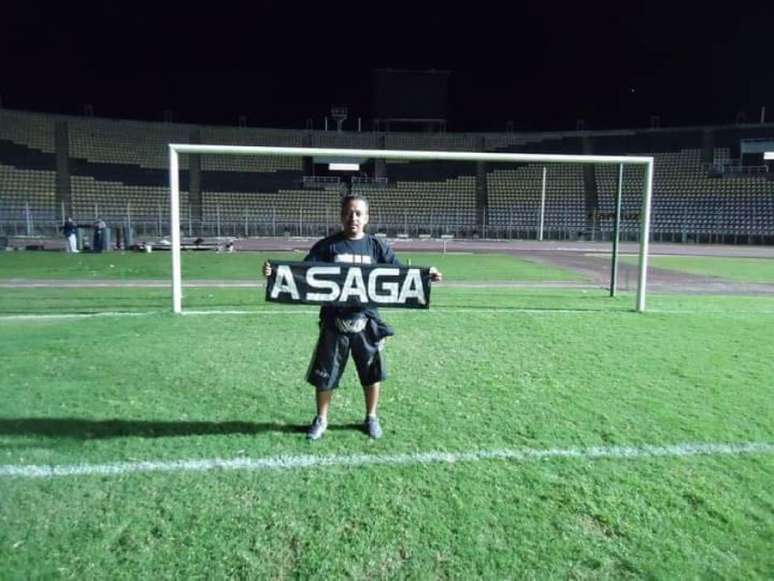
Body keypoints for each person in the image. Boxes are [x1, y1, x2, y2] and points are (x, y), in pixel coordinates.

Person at [263, 194, 442, 440]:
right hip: (333, 322)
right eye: (349, 212)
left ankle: (371, 417)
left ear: (367, 218)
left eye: (358, 213)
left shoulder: (377, 247)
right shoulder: (328, 246)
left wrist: (425, 275)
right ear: (341, 215)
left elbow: (400, 273)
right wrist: (276, 273)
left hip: (367, 322)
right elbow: (300, 274)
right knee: (325, 375)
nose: (353, 217)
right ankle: (321, 419)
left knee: (371, 373)